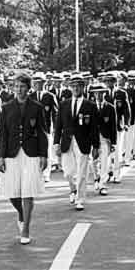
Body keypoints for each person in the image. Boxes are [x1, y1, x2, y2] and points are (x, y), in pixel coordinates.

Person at [0, 71, 48, 244]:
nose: (19, 89)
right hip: (11, 153)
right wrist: (0, 157)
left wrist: (44, 155)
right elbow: (3, 134)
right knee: (13, 193)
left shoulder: (37, 107)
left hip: (31, 153)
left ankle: (25, 229)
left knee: (28, 191)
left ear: (28, 88)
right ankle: (21, 213)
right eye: (16, 86)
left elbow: (42, 133)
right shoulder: (6, 107)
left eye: (22, 86)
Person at [54, 74, 100, 211]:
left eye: (78, 86)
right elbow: (58, 126)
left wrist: (96, 146)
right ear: (70, 87)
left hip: (83, 141)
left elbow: (94, 128)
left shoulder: (90, 105)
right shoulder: (64, 104)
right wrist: (56, 143)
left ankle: (80, 199)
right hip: (67, 141)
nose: (75, 89)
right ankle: (73, 188)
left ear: (83, 87)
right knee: (68, 171)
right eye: (73, 86)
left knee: (82, 172)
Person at [30, 72, 59, 182]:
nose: (38, 85)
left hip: (46, 128)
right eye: (36, 83)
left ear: (44, 83)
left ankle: (46, 174)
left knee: (47, 151)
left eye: (40, 83)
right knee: (35, 150)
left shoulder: (50, 96)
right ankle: (37, 173)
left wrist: (55, 127)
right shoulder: (30, 97)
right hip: (33, 129)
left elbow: (55, 113)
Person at [89, 83, 116, 196]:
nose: (99, 95)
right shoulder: (89, 106)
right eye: (96, 93)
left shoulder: (110, 107)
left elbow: (113, 126)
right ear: (94, 94)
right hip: (92, 139)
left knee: (105, 161)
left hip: (105, 138)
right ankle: (96, 178)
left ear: (105, 93)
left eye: (101, 93)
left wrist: (113, 142)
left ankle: (103, 184)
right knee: (93, 161)